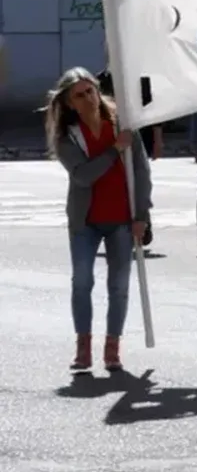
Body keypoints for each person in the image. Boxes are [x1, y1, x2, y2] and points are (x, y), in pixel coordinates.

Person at [47, 67, 152, 372]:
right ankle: (83, 347)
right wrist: (113, 151)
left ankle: (112, 347)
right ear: (69, 103)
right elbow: (82, 176)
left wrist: (142, 215)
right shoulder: (68, 136)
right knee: (82, 282)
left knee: (119, 285)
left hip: (121, 217)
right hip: (85, 220)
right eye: (79, 95)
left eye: (90, 90)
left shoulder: (122, 124)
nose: (89, 98)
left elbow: (141, 172)